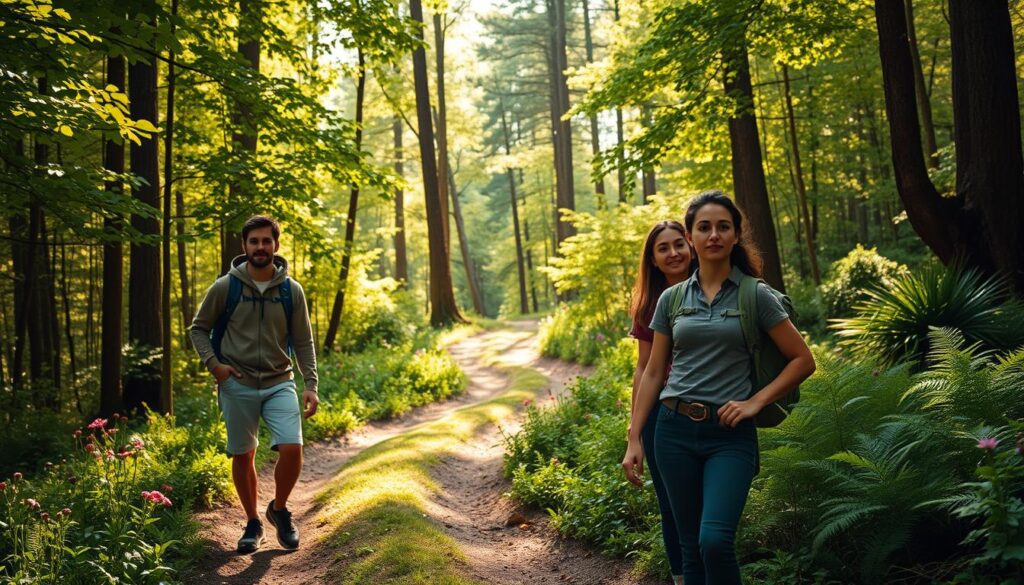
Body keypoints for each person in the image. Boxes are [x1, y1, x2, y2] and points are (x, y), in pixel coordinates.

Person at [622, 191, 815, 584]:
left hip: (729, 437)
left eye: (723, 226)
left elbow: (803, 360)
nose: (713, 234)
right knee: (690, 551)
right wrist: (635, 438)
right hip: (673, 432)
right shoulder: (672, 299)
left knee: (714, 540)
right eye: (704, 227)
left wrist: (754, 402)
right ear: (692, 236)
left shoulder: (755, 295)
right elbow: (654, 372)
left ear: (735, 235)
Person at [190, 215, 320, 554]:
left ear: (276, 246)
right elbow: (198, 329)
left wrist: (311, 384)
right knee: (243, 454)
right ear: (244, 246)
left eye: (266, 241)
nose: (260, 247)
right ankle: (252, 521)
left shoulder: (292, 291)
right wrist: (215, 366)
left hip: (280, 380)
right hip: (238, 383)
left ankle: (278, 508)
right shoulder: (225, 287)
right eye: (253, 241)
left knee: (292, 447)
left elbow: (304, 341)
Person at [628, 220, 693, 585]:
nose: (673, 253)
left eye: (678, 244)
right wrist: (634, 431)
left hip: (706, 407)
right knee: (671, 506)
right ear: (652, 260)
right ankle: (682, 577)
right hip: (660, 412)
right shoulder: (650, 304)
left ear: (691, 246)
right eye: (663, 249)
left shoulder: (715, 290)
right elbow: (644, 369)